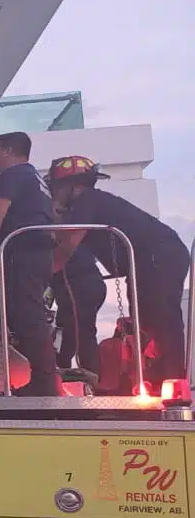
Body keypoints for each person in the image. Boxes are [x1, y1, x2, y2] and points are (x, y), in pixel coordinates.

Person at [47, 154, 191, 387]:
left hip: (159, 257)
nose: (54, 193)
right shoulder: (91, 203)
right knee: (144, 318)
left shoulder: (87, 199)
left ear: (71, 187)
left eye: (56, 188)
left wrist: (45, 274)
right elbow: (63, 234)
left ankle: (173, 380)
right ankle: (156, 376)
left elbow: (68, 243)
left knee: (162, 317)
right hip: (151, 259)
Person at [0, 131, 62, 396]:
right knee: (28, 315)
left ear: (8, 151)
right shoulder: (36, 179)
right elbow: (23, 215)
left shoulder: (11, 175)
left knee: (26, 318)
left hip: (21, 254)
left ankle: (44, 383)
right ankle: (45, 380)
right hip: (38, 253)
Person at [49, 192, 107, 377]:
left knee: (80, 331)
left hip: (82, 285)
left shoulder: (63, 235)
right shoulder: (65, 234)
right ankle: (65, 367)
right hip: (86, 285)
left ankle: (90, 375)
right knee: (69, 328)